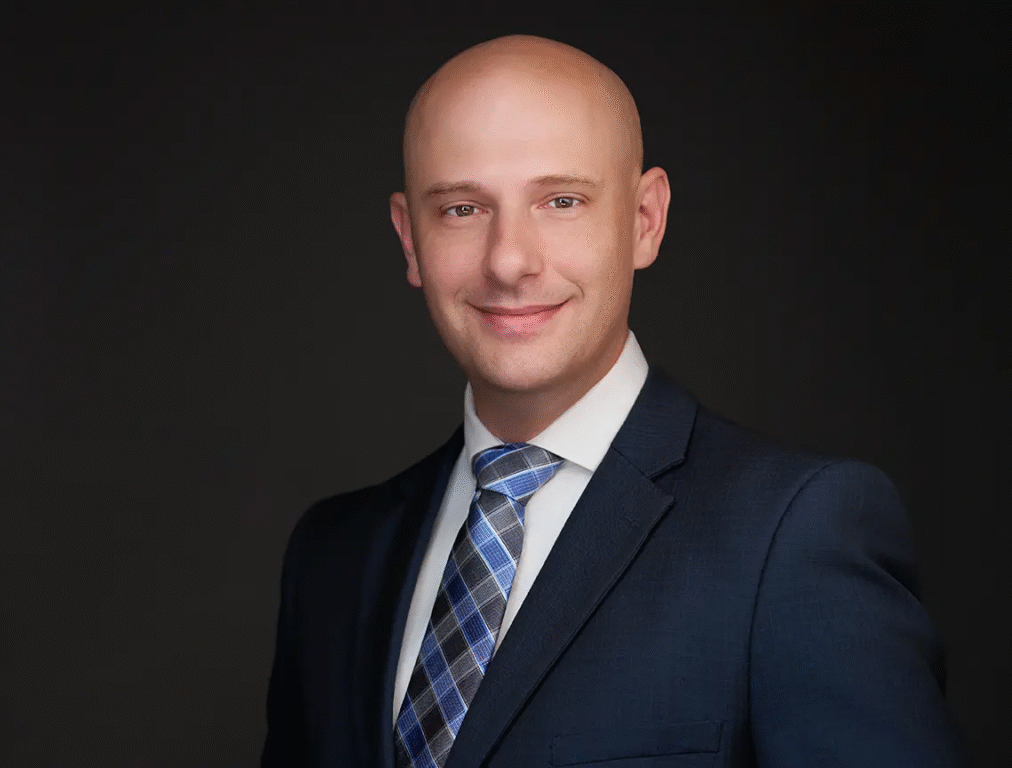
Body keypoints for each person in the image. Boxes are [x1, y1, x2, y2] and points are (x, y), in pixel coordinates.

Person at [261, 35, 965, 768]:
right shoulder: (333, 558)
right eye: (463, 209)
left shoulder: (793, 536)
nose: (509, 260)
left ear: (644, 220)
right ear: (410, 239)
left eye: (561, 202)